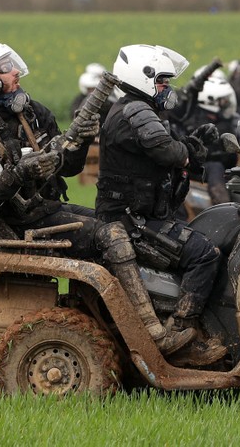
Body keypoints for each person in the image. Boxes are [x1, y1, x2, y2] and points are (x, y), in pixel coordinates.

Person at [95, 43, 226, 365]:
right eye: (162, 81)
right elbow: (170, 153)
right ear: (143, 77)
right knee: (205, 254)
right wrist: (192, 147)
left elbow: (172, 155)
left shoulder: (137, 109)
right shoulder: (135, 110)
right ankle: (182, 334)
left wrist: (194, 145)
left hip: (141, 214)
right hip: (130, 220)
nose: (167, 88)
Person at [0, 38, 109, 269]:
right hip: (15, 224)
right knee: (111, 237)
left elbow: (70, 168)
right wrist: (18, 175)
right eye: (4, 68)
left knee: (116, 225)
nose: (15, 71)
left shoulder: (33, 113)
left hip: (48, 211)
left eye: (11, 64)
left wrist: (82, 141)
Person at [187, 77, 240, 205]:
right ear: (211, 101)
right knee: (216, 166)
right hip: (198, 167)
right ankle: (221, 204)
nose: (227, 103)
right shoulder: (195, 121)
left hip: (221, 167)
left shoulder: (224, 120)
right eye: (223, 100)